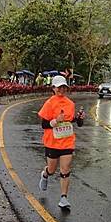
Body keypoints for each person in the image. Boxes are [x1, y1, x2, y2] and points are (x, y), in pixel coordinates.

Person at [38, 75, 85, 209]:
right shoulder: (49, 103)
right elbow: (44, 124)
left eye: (63, 87)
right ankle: (45, 174)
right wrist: (56, 121)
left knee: (65, 169)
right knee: (52, 170)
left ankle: (64, 198)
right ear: (53, 88)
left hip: (67, 141)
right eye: (58, 87)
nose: (61, 90)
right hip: (52, 142)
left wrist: (80, 118)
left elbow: (75, 122)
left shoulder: (70, 103)